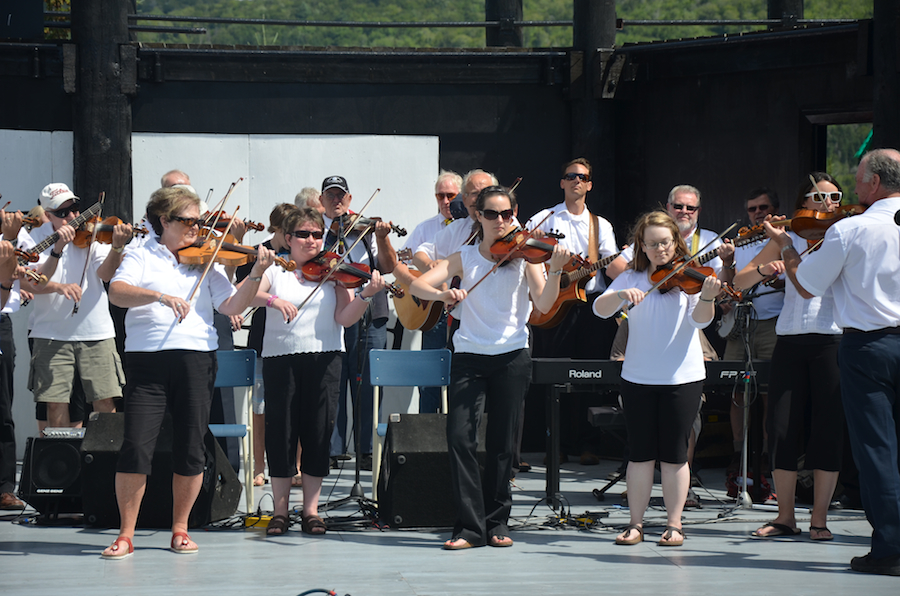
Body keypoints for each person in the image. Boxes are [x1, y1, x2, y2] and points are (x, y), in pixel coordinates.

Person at [101, 185, 275, 559]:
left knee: (191, 447)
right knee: (135, 446)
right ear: (164, 221)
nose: (198, 229)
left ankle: (180, 529)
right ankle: (126, 534)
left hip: (197, 357)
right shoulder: (139, 253)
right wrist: (160, 296)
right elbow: (116, 291)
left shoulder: (205, 259)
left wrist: (257, 273)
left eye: (200, 221)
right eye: (190, 221)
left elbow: (230, 303)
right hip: (147, 361)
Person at [763, 148, 900, 576]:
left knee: (878, 450)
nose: (852, 190)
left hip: (870, 346)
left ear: (874, 183)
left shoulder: (853, 229)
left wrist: (787, 247)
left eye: (857, 180)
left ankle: (890, 549)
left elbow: (804, 285)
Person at [410, 185, 571, 549]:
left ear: (514, 215)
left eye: (507, 214)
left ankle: (497, 523)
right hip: (469, 355)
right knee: (459, 438)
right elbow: (419, 285)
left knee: (502, 445)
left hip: (512, 356)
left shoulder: (526, 258)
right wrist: (443, 294)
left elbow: (544, 305)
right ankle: (468, 527)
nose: (501, 221)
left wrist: (555, 271)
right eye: (492, 214)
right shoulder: (463, 258)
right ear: (478, 217)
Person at [246, 207, 386, 536]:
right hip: (281, 358)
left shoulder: (333, 270)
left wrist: (365, 295)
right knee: (281, 432)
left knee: (318, 432)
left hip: (325, 359)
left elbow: (344, 318)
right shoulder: (276, 268)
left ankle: (311, 510)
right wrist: (273, 301)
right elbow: (248, 294)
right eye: (303, 235)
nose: (311, 240)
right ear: (288, 238)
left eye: (316, 234)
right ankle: (280, 510)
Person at [592, 210, 721, 547]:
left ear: (674, 242)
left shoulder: (688, 277)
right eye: (652, 244)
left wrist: (706, 296)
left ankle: (674, 524)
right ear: (643, 247)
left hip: (683, 377)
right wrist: (619, 296)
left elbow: (700, 322)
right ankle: (636, 523)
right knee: (640, 453)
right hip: (638, 377)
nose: (660, 249)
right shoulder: (632, 278)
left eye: (665, 242)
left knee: (676, 453)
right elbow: (599, 309)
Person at [733, 173, 843, 540]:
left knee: (827, 429)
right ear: (802, 203)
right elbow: (741, 280)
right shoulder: (789, 237)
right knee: (780, 428)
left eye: (834, 197)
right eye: (817, 197)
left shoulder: (843, 235)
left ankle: (820, 518)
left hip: (831, 339)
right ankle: (785, 517)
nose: (826, 204)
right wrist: (767, 266)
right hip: (791, 339)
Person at [526, 158, 619, 466]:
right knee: (554, 377)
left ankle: (588, 444)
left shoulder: (600, 225)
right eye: (570, 176)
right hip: (553, 306)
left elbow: (613, 264)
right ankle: (556, 444)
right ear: (562, 182)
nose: (576, 180)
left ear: (590, 184)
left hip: (590, 308)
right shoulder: (545, 217)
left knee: (590, 378)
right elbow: (526, 255)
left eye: (582, 177)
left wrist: (636, 274)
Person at [23, 183, 131, 427]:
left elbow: (105, 274)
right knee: (54, 402)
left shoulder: (92, 235)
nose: (73, 217)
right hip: (50, 332)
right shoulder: (34, 238)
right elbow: (36, 283)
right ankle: (61, 462)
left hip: (96, 331)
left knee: (104, 400)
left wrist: (116, 247)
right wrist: (57, 249)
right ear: (47, 215)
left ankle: (104, 462)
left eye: (75, 209)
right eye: (63, 213)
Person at [321, 175, 397, 468]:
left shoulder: (365, 229)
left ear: (350, 200)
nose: (337, 201)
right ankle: (333, 449)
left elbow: (388, 266)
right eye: (331, 196)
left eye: (341, 196)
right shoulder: (317, 231)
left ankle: (366, 450)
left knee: (367, 382)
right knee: (333, 382)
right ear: (322, 201)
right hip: (331, 314)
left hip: (369, 312)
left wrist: (382, 236)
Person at [234, 202, 301, 487]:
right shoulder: (256, 253)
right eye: (288, 231)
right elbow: (238, 291)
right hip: (263, 336)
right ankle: (258, 466)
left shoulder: (299, 254)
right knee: (260, 407)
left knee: (296, 405)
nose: (291, 237)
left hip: (296, 335)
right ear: (276, 228)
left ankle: (296, 466)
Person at [722, 188, 784, 493]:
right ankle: (739, 457)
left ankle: (767, 464)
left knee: (771, 394)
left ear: (774, 210)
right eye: (752, 208)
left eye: (764, 207)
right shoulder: (739, 242)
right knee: (737, 392)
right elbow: (727, 284)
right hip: (741, 323)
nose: (758, 213)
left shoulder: (782, 237)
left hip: (773, 324)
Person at [397, 169, 462, 414]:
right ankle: (426, 440)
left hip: (464, 310)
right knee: (429, 377)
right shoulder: (425, 228)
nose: (445, 202)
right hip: (434, 311)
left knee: (461, 378)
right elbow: (399, 262)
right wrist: (421, 279)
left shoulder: (473, 227)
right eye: (440, 196)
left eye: (450, 196)